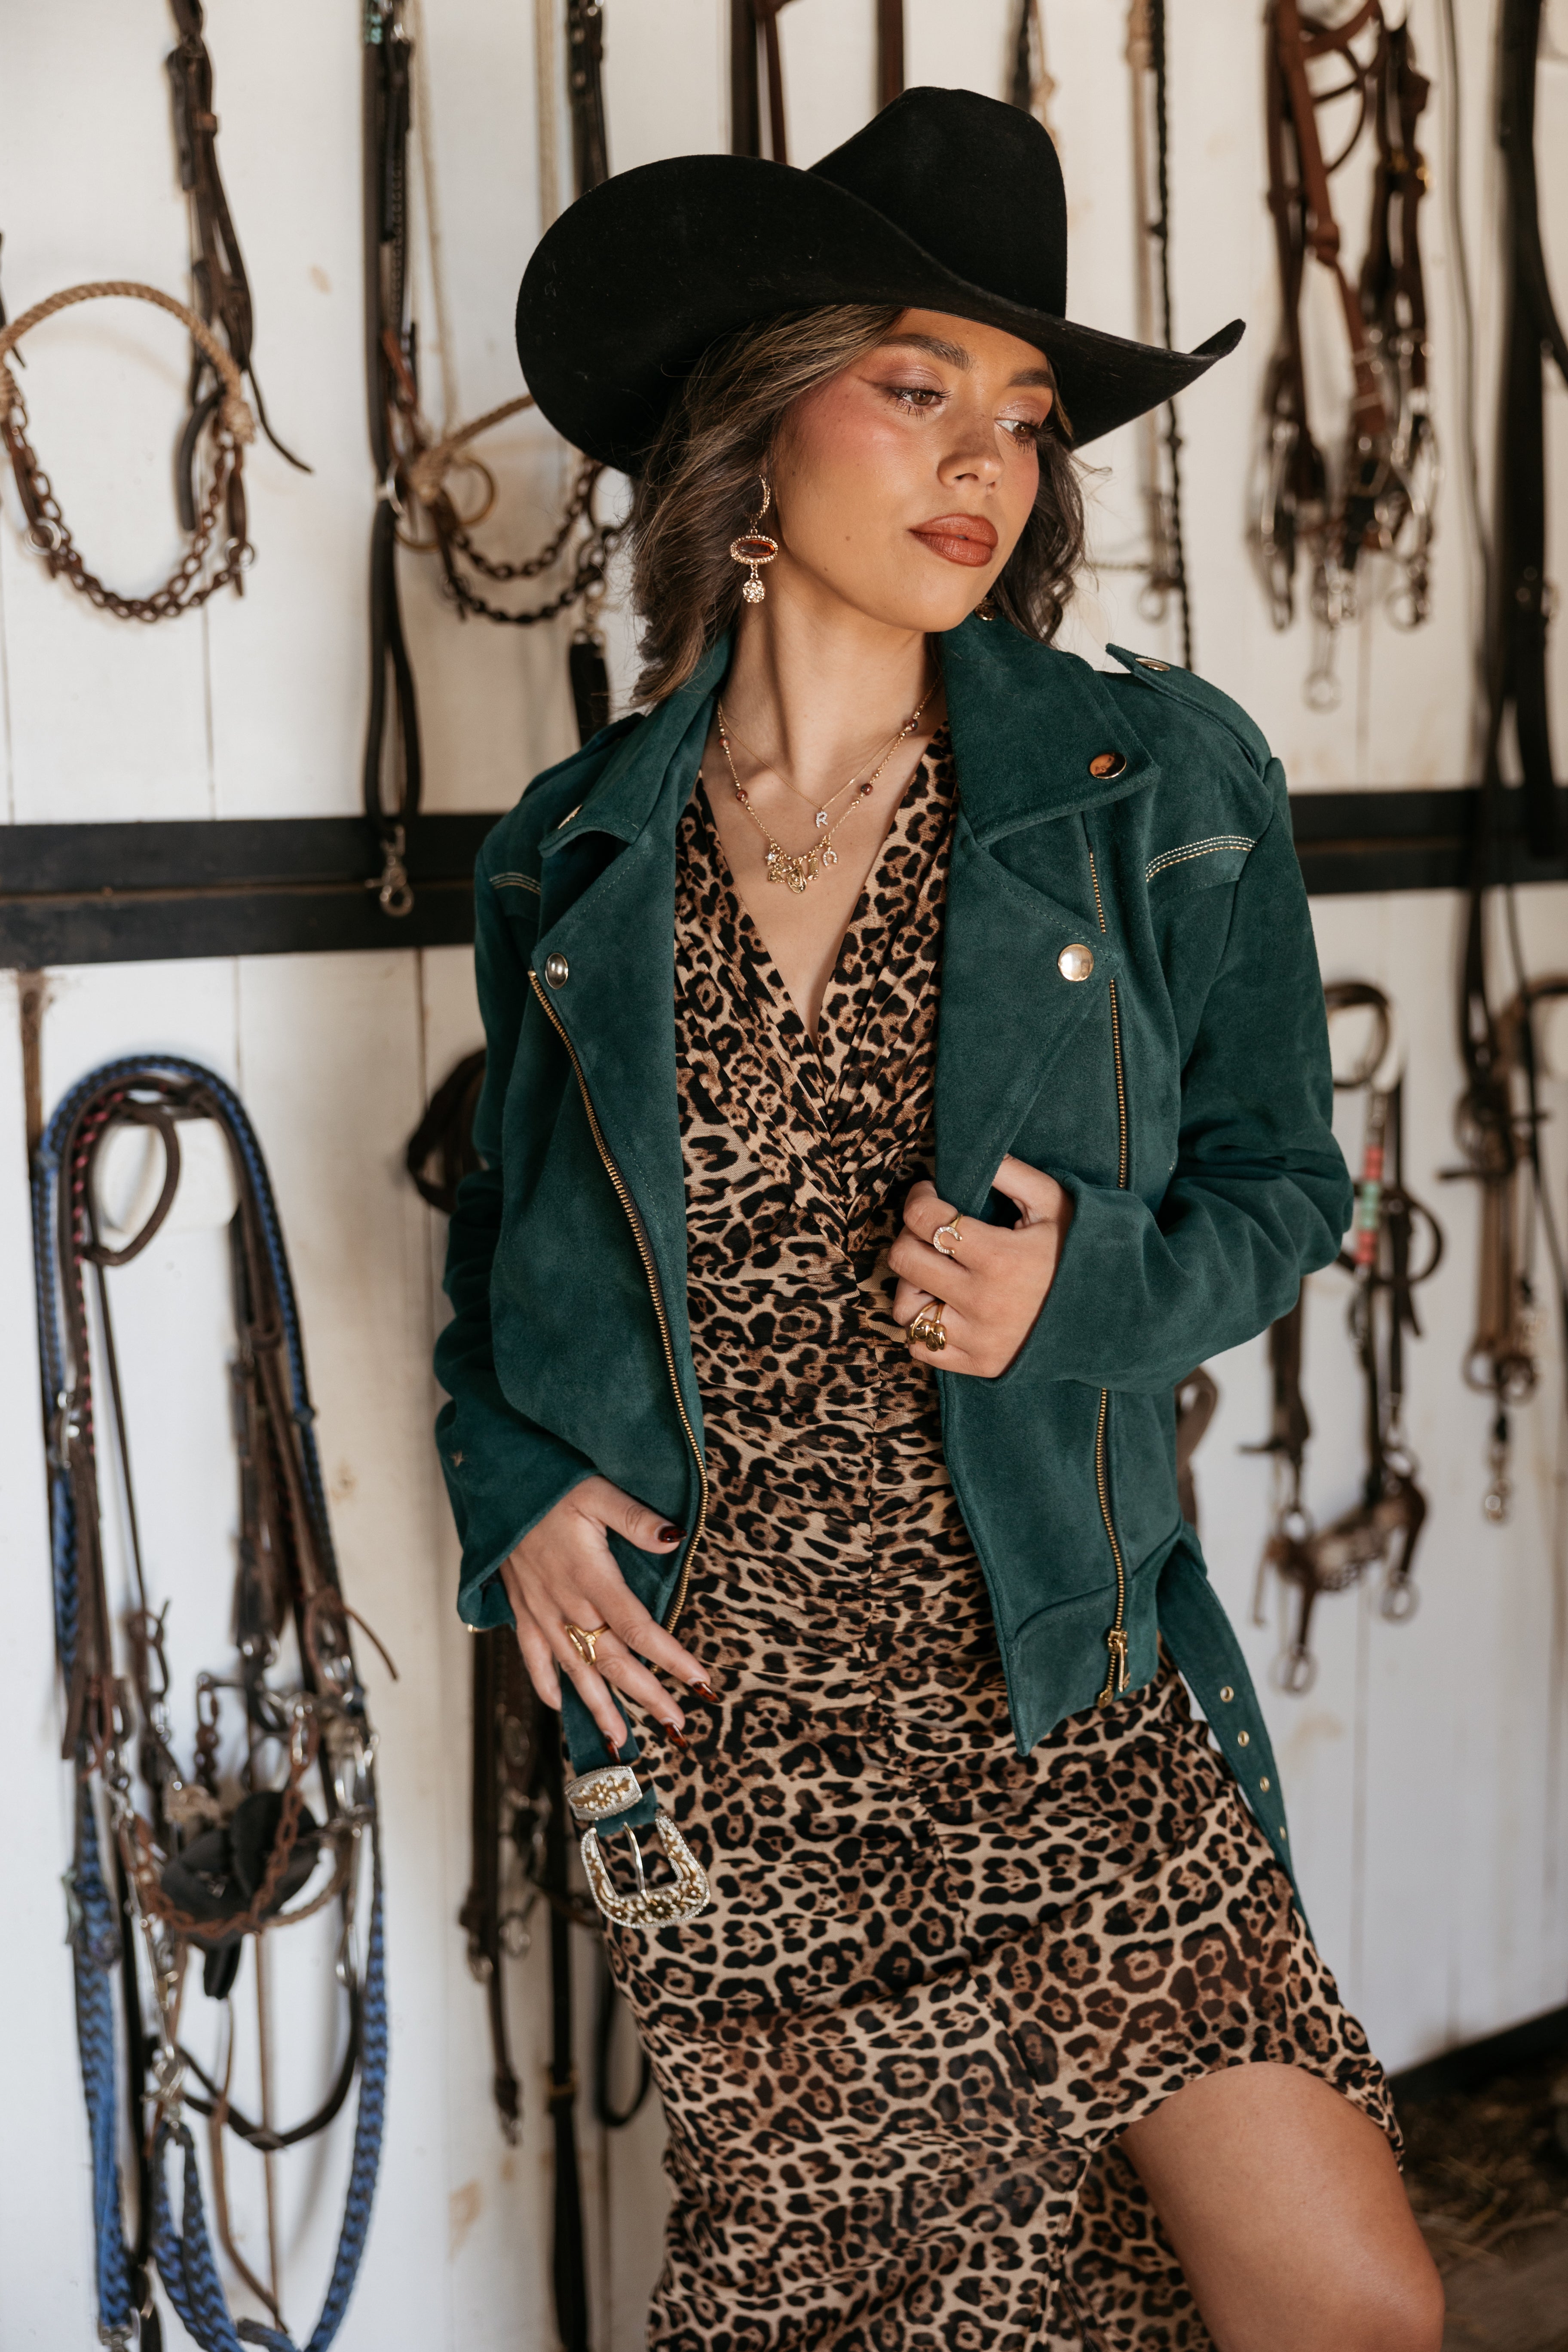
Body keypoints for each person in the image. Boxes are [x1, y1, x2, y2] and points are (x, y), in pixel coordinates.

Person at [437, 86, 1442, 2352]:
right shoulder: (571, 856)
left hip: (1070, 1717)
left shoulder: (1152, 778)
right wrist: (514, 1495)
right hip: (745, 1768)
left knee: (1345, 2295)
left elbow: (1293, 1190)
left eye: (1022, 413)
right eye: (919, 388)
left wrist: (1079, 1287)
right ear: (755, 426)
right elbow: (493, 1246)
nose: (988, 458)